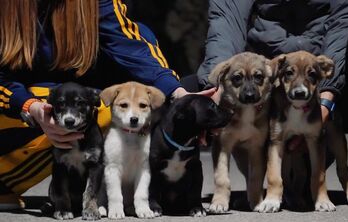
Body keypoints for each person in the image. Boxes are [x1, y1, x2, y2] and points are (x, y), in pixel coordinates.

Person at [0, 0, 215, 210]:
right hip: (16, 107)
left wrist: (178, 94)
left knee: (106, 103)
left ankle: (74, 189)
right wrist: (29, 106)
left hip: (66, 100)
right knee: (53, 98)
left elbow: (133, 45)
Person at [197, 0, 348, 207]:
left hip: (331, 75)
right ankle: (175, 190)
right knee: (189, 99)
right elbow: (226, 19)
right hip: (271, 74)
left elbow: (346, 19)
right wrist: (217, 89)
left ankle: (318, 181)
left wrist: (328, 95)